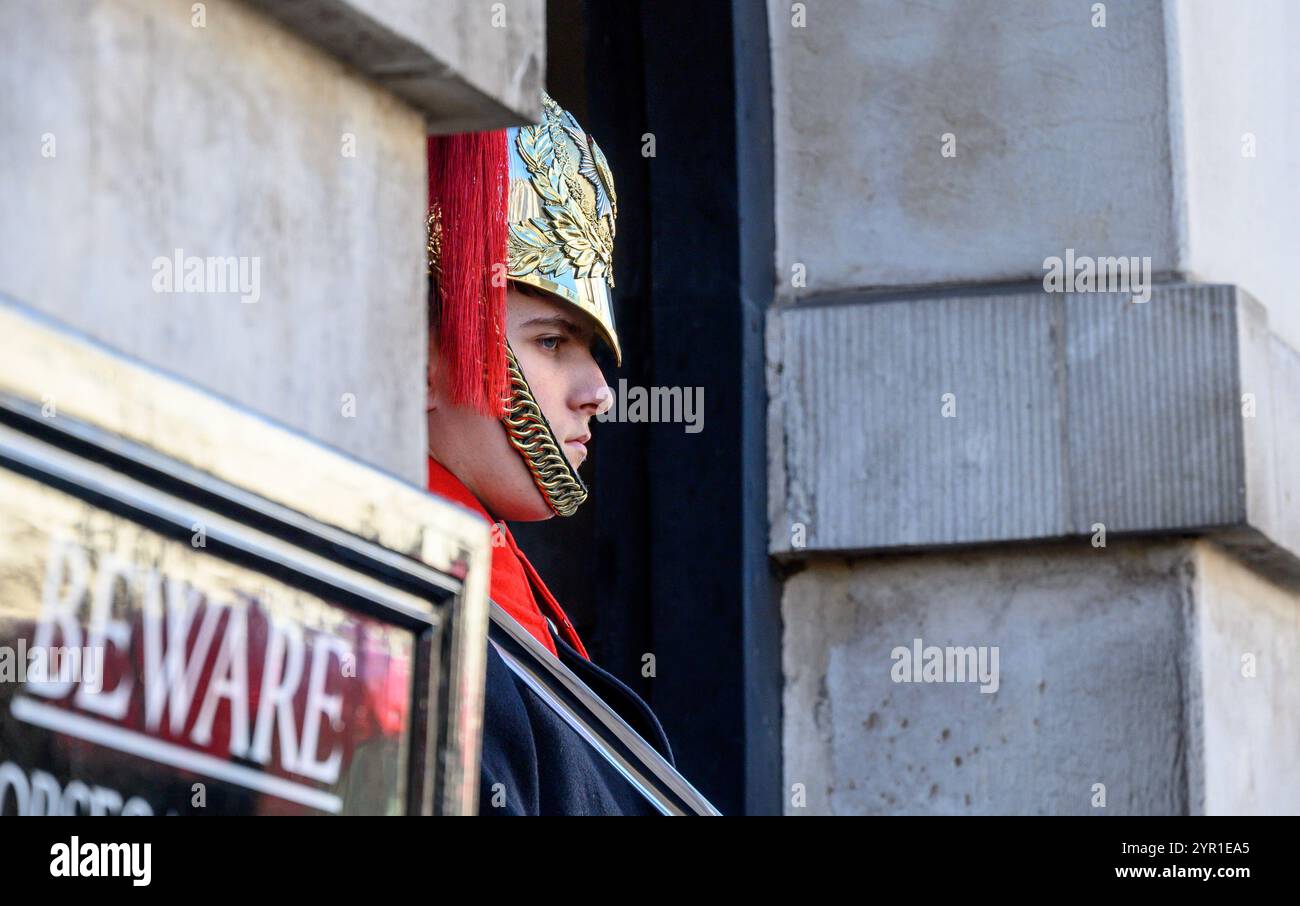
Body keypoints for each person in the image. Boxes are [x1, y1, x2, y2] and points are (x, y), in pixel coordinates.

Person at [424, 93, 693, 815]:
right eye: (550, 342)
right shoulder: (427, 635)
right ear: (419, 357)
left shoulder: (502, 604)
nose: (598, 392)